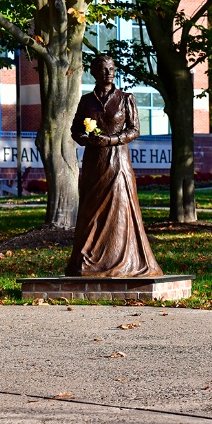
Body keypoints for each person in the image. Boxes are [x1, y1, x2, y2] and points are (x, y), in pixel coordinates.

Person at [66, 55, 163, 277]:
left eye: (111, 68)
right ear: (94, 73)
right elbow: (75, 129)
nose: (108, 72)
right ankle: (88, 260)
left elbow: (134, 129)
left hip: (118, 163)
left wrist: (111, 140)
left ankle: (122, 259)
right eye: (103, 69)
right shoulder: (86, 101)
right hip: (94, 164)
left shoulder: (125, 99)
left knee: (120, 209)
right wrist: (85, 138)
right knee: (91, 212)